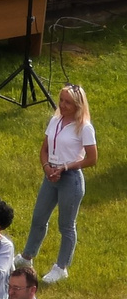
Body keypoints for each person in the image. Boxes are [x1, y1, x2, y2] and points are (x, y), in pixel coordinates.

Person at [22, 82, 96, 283]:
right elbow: (44, 149)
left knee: (66, 225)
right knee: (38, 218)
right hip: (51, 175)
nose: (62, 105)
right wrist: (47, 167)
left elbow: (92, 158)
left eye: (68, 103)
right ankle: (27, 257)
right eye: (61, 100)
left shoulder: (84, 128)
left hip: (70, 179)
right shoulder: (55, 121)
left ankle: (61, 267)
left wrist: (66, 167)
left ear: (78, 106)